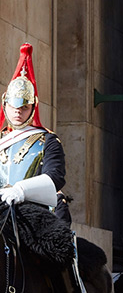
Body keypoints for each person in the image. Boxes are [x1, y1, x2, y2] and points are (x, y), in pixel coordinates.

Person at [0, 43, 70, 222]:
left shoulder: (47, 140)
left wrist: (21, 190)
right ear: (5, 104)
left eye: (24, 107)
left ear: (32, 108)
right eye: (13, 106)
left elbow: (55, 176)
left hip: (30, 209)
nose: (18, 111)